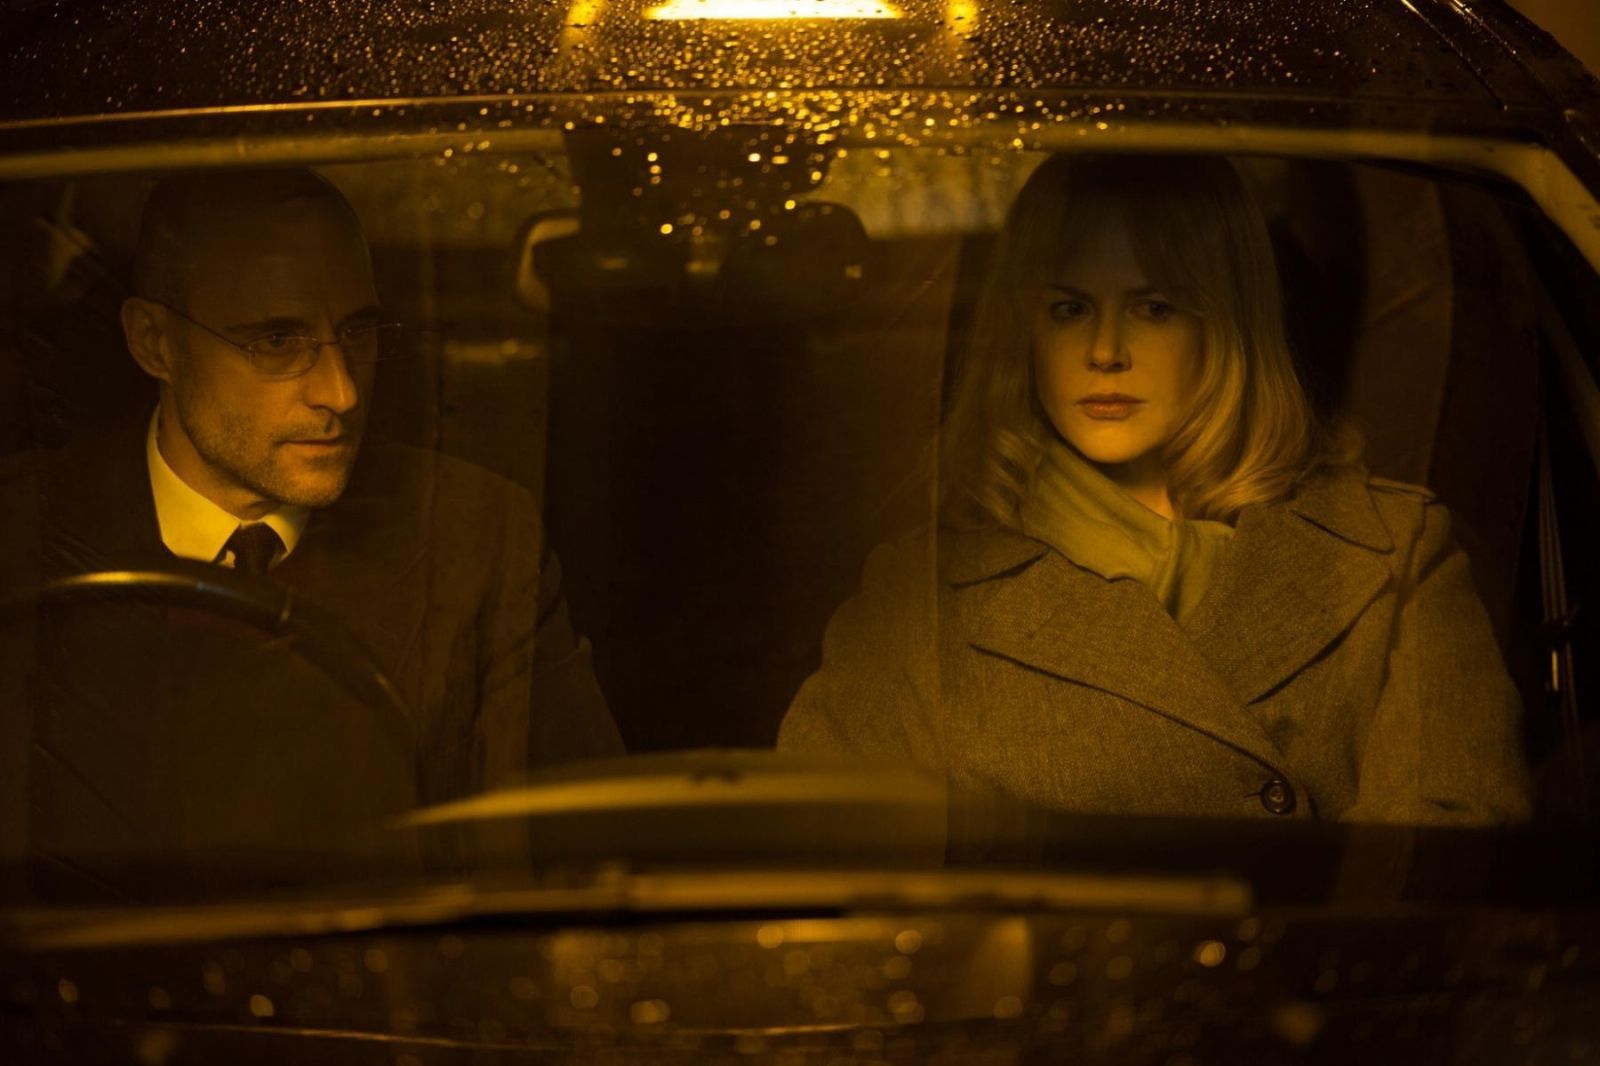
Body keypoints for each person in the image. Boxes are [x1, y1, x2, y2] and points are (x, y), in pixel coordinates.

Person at [778, 153, 1532, 824]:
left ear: (1226, 324)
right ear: (1023, 333)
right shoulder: (923, 602)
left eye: (1154, 308)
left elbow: (1446, 856)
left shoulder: (1392, 554)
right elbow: (825, 858)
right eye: (1070, 309)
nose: (1106, 351)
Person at [19, 168, 622, 863]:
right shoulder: (26, 534)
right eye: (277, 342)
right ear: (154, 342)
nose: (340, 392)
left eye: (357, 332)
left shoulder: (474, 535)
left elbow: (585, 842)